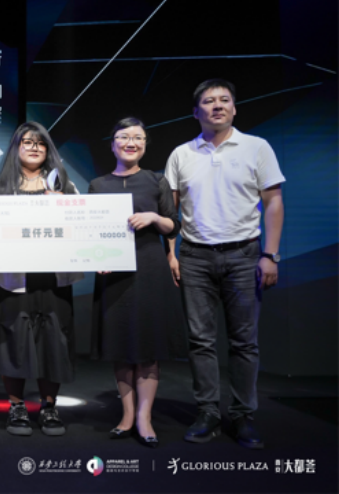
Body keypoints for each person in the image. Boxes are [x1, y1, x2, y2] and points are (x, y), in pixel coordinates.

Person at [165, 79, 285, 449]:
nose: (217, 105)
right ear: (195, 111)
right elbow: (170, 211)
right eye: (208, 101)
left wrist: (270, 255)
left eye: (224, 100)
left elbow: (273, 202)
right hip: (195, 256)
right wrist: (171, 253)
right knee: (200, 340)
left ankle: (243, 415)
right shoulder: (181, 154)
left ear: (234, 107)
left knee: (244, 342)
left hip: (244, 255)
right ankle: (208, 413)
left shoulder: (256, 147)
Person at [0, 121, 83, 436]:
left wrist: (62, 206)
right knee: (13, 341)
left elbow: (81, 228)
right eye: (27, 142)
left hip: (52, 279)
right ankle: (16, 406)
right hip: (12, 279)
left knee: (53, 342)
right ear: (16, 148)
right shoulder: (0, 187)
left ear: (48, 150)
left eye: (40, 143)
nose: (34, 147)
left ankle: (49, 407)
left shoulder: (64, 185)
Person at [89, 117, 187, 448]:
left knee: (148, 346)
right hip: (113, 275)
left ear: (144, 145)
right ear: (112, 143)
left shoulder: (156, 180)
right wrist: (96, 258)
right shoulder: (97, 185)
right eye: (124, 136)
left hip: (149, 270)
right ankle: (127, 415)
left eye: (138, 138)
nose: (131, 142)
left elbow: (173, 225)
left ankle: (145, 418)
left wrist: (155, 217)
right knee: (121, 345)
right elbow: (89, 232)